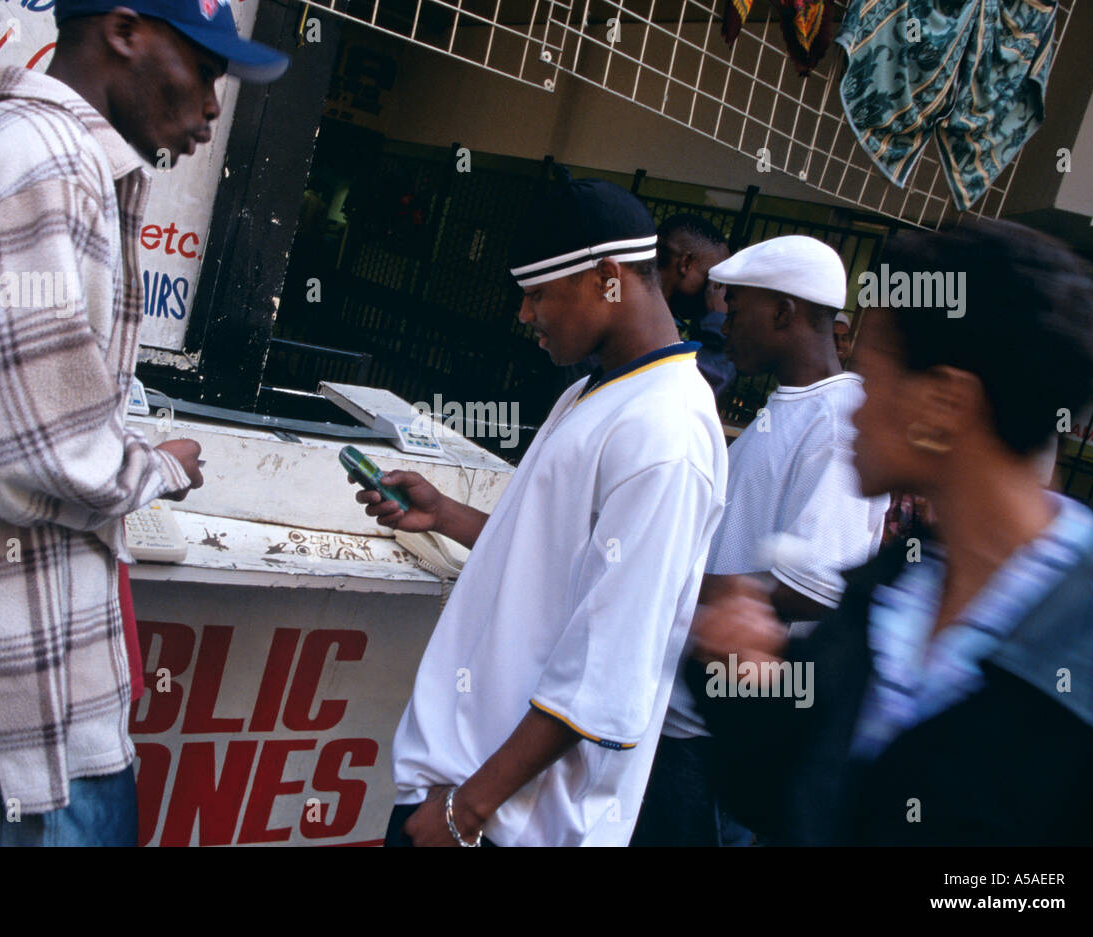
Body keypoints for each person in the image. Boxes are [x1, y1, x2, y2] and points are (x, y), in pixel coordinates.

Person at [0, 1, 287, 845]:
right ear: (124, 30)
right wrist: (164, 464)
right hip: (13, 740)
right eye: (206, 71)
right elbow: (52, 457)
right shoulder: (51, 163)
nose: (213, 107)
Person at [686, 219, 1093, 845]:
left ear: (943, 404)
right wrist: (737, 681)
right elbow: (793, 802)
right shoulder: (887, 597)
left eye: (872, 375)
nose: (855, 403)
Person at [356, 172, 728, 846]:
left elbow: (605, 666)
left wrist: (464, 813)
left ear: (608, 277)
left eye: (537, 295)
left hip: (506, 823)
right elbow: (560, 563)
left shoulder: (665, 432)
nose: (524, 315)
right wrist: (445, 513)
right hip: (465, 796)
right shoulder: (596, 391)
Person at [633, 235, 887, 846]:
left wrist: (667, 577)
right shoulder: (793, 409)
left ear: (784, 312)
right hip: (682, 720)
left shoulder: (839, 421)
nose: (728, 321)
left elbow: (814, 587)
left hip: (716, 738)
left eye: (739, 306)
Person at [658, 214, 736, 398]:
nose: (716, 292)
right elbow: (700, 389)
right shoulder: (641, 320)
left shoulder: (654, 317)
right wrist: (717, 323)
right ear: (685, 264)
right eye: (714, 280)